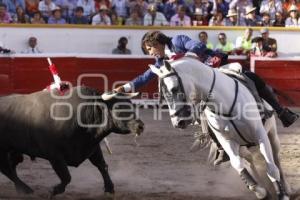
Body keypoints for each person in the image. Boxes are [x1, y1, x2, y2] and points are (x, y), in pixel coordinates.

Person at [115, 31, 299, 162]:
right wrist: (126, 87)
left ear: (156, 42)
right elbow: (147, 76)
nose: (150, 53)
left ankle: (281, 112)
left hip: (214, 68)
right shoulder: (161, 60)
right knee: (201, 111)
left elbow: (198, 45)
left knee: (251, 77)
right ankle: (221, 146)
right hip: (200, 87)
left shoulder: (177, 40)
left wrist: (187, 57)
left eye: (149, 49)